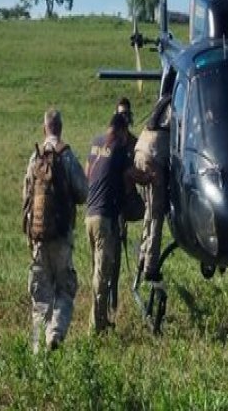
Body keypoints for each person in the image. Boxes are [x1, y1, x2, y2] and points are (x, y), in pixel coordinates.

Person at [21, 108, 88, 354]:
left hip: (38, 237)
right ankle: (56, 334)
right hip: (61, 236)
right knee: (65, 289)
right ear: (61, 128)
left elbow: (26, 197)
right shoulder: (67, 157)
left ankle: (39, 348)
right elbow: (83, 192)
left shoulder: (34, 158)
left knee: (41, 296)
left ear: (45, 128)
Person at [85, 112, 151, 332]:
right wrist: (151, 177)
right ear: (122, 131)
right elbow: (132, 175)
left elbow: (88, 173)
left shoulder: (95, 143)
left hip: (90, 215)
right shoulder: (120, 148)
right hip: (105, 218)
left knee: (96, 269)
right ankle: (97, 327)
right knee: (102, 275)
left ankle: (98, 318)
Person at [135, 94, 172, 282]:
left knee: (149, 209)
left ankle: (142, 255)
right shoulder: (178, 102)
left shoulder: (164, 100)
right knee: (157, 213)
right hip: (154, 157)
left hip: (141, 150)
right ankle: (151, 265)